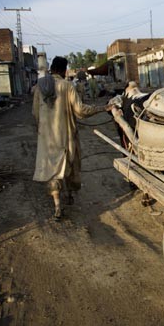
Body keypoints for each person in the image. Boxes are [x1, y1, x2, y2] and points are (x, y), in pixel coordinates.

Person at [33, 56, 113, 220]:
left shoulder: (38, 88)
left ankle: (57, 205)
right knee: (69, 165)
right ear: (63, 70)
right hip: (66, 134)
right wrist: (103, 108)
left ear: (51, 68)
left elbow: (35, 113)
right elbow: (81, 110)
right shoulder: (67, 86)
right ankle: (69, 195)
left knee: (52, 171)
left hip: (47, 138)